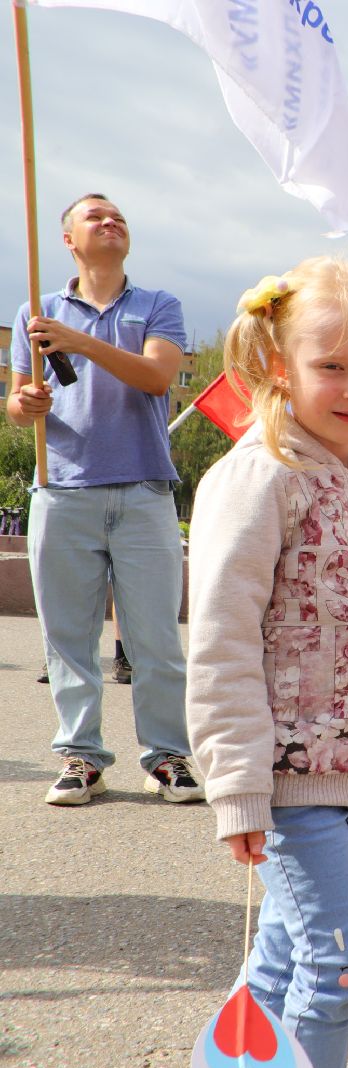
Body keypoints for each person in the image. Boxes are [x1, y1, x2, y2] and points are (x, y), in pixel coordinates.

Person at [186, 259, 348, 1068]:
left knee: (282, 961)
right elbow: (222, 636)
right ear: (278, 364)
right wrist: (236, 783)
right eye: (331, 366)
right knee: (339, 972)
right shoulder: (259, 477)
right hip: (290, 784)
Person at [7, 193, 198, 806]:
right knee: (68, 635)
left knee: (156, 638)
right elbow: (16, 406)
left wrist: (79, 342)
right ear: (68, 239)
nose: (111, 221)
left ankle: (166, 755)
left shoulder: (157, 305)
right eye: (95, 216)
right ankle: (81, 756)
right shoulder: (35, 311)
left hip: (143, 487)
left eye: (117, 216)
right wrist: (26, 403)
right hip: (62, 488)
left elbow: (158, 377)